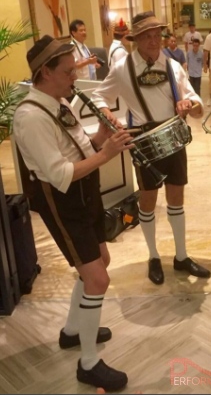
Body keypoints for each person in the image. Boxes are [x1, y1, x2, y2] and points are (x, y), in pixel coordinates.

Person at [13, 35, 132, 391]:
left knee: (101, 260)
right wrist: (108, 153)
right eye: (67, 72)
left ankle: (71, 331)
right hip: (63, 201)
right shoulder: (31, 117)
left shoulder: (58, 102)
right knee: (97, 279)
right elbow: (60, 174)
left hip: (85, 195)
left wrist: (102, 135)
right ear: (45, 72)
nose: (74, 79)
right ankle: (88, 363)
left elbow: (80, 148)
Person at [91, 11, 211, 285]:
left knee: (176, 199)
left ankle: (181, 256)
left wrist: (188, 105)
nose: (155, 41)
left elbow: (196, 106)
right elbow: (99, 96)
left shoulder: (172, 66)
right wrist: (107, 115)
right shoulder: (123, 68)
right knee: (147, 200)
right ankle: (154, 256)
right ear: (136, 40)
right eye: (148, 36)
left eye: (158, 35)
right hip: (144, 141)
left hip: (173, 138)